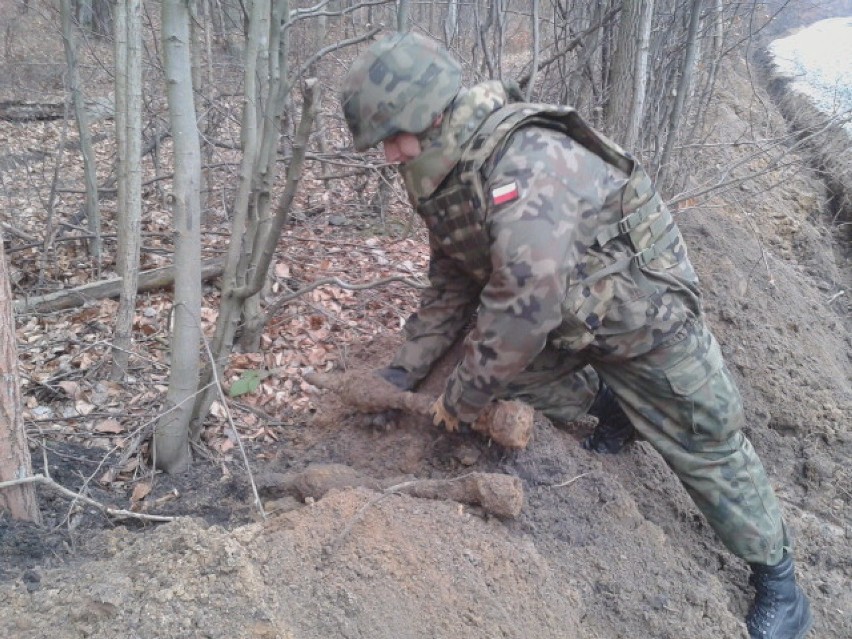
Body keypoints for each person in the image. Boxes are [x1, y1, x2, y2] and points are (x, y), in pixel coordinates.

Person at [340, 31, 813, 639]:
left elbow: (523, 309)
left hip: (646, 322)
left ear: (424, 114)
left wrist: (460, 403)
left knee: (707, 440)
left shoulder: (527, 160)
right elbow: (453, 280)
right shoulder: (445, 169)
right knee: (496, 373)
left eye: (389, 138)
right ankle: (606, 403)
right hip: (572, 323)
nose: (388, 157)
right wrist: (405, 370)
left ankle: (779, 580)